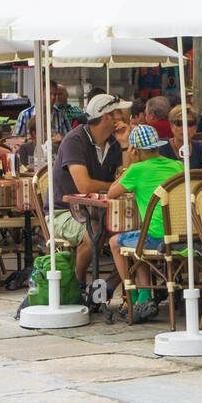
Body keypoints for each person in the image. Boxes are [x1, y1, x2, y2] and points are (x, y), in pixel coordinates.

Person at [51, 93, 132, 287]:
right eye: (120, 113)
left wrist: (124, 145)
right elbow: (84, 185)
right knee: (94, 231)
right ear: (106, 117)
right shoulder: (75, 140)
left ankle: (109, 288)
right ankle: (77, 285)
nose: (125, 117)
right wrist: (114, 186)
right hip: (63, 211)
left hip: (103, 210)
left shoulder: (114, 142)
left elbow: (127, 178)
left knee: (133, 232)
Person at [106, 125, 181, 323]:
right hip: (181, 235)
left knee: (115, 242)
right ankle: (145, 296)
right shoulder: (177, 166)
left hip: (155, 237)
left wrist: (130, 164)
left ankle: (131, 295)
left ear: (136, 151)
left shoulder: (137, 170)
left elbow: (112, 192)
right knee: (137, 239)